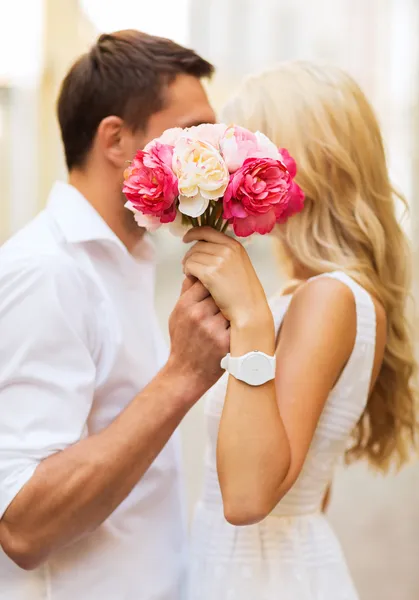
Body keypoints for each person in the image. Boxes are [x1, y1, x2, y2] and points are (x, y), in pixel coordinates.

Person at [0, 30, 229, 600]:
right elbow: (22, 527)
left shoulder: (131, 259)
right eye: (192, 135)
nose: (213, 159)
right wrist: (183, 376)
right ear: (116, 140)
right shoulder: (47, 272)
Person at [184, 62, 417, 599]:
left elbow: (244, 498)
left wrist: (249, 320)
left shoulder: (329, 298)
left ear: (303, 167)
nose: (225, 180)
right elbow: (311, 486)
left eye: (241, 161)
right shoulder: (317, 295)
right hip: (267, 566)